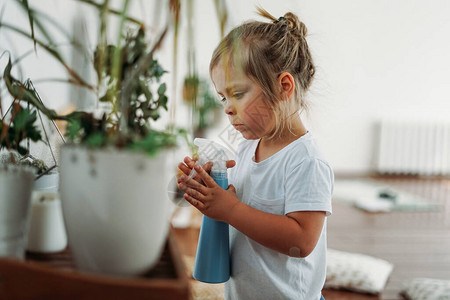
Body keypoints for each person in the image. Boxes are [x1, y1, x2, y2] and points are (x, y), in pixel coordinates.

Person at [177, 7, 333, 300]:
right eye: (223, 97)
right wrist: (208, 190)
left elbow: (302, 240)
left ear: (283, 86)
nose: (227, 107)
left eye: (237, 93)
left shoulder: (306, 161)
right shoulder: (248, 146)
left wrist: (230, 210)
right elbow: (236, 202)